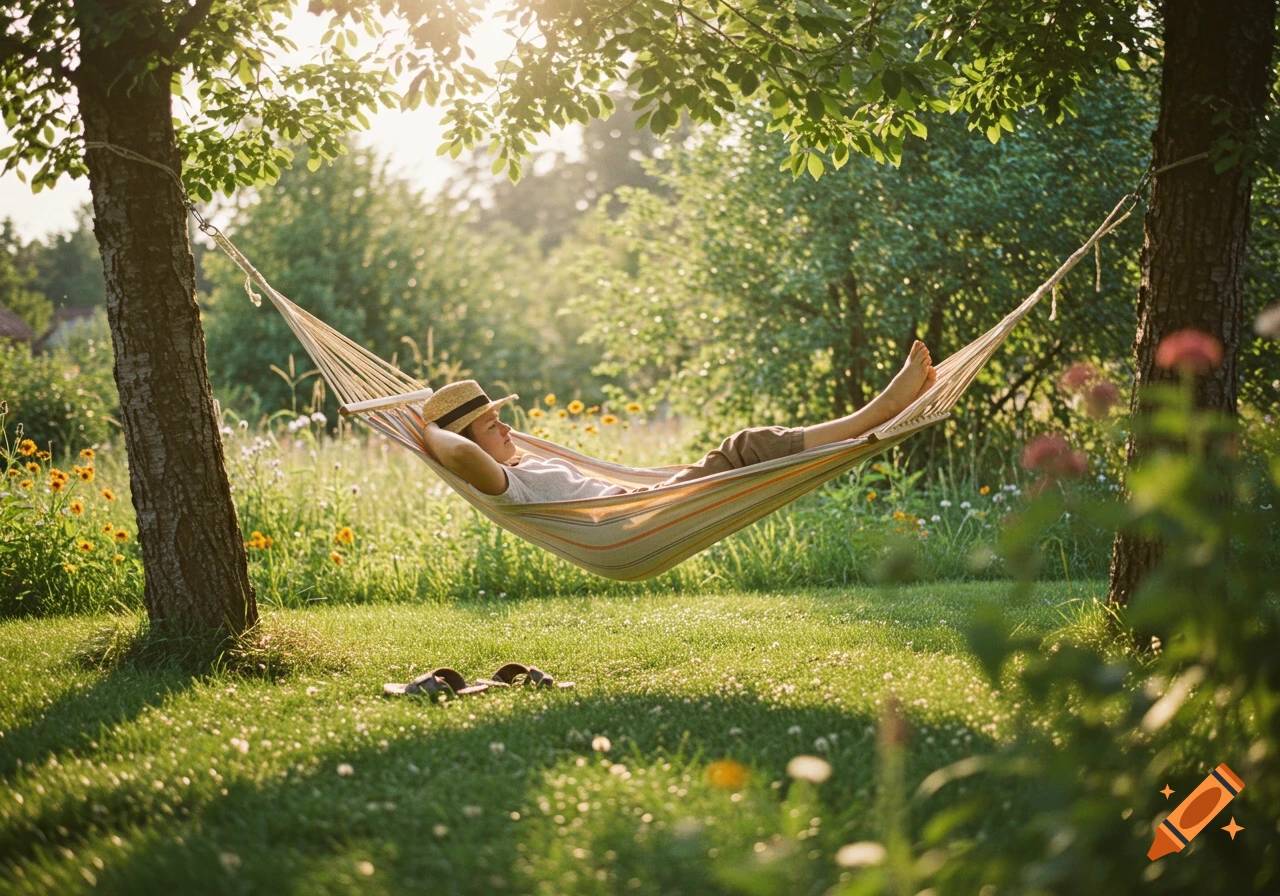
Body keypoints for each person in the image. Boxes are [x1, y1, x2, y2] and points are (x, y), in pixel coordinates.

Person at [421, 342, 936, 504]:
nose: (508, 429)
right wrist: (430, 432)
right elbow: (462, 456)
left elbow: (472, 446)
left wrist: (445, 425)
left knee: (742, 448)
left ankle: (877, 412)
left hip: (646, 501)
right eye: (493, 425)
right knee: (746, 446)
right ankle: (876, 413)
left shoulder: (515, 460)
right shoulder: (502, 481)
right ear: (468, 442)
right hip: (637, 518)